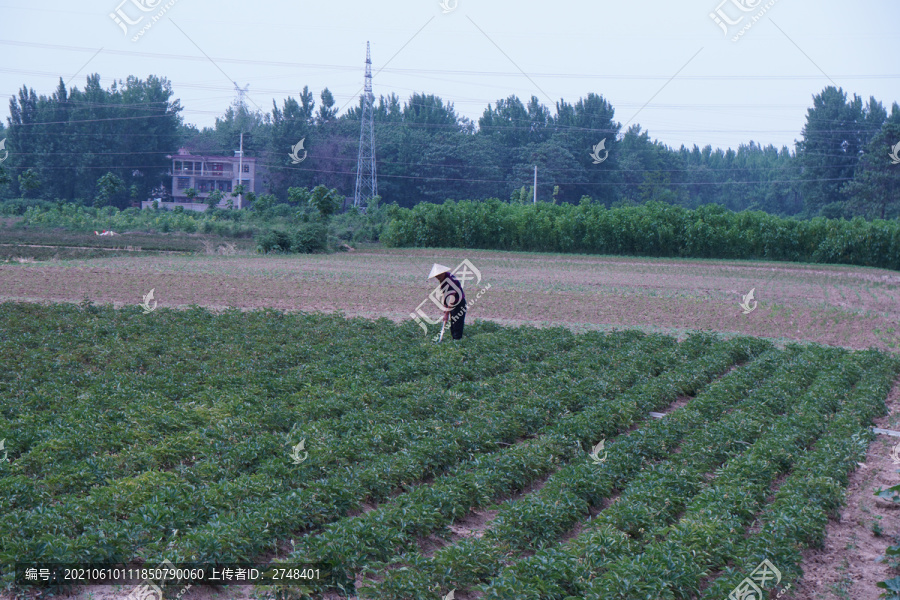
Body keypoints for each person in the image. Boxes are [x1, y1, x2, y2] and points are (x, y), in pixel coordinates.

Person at [428, 263, 467, 340]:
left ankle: (457, 343)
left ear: (443, 272)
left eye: (439, 275)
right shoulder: (443, 279)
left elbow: (452, 298)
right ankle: (454, 341)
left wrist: (446, 314)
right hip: (453, 304)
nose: (437, 278)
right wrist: (445, 305)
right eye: (436, 276)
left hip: (459, 304)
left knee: (457, 325)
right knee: (453, 324)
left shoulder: (450, 280)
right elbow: (444, 292)